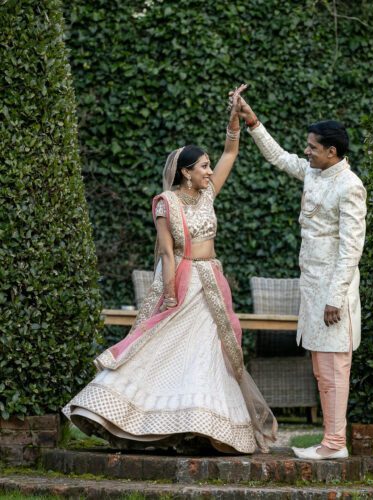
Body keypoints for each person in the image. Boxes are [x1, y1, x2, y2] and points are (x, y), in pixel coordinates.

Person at [63, 86, 277, 455]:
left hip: (213, 280)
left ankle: (204, 426)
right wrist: (171, 293)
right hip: (185, 281)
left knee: (208, 352)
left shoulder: (208, 194)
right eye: (203, 166)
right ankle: (127, 412)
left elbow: (232, 151)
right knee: (166, 349)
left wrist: (234, 118)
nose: (210, 171)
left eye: (210, 165)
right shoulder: (166, 204)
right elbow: (166, 250)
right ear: (185, 172)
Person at [234, 94, 366, 460]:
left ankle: (335, 445)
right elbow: (279, 158)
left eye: (312, 147)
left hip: (332, 296)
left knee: (335, 369)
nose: (306, 152)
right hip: (313, 289)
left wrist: (335, 298)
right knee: (322, 370)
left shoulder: (350, 185)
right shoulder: (315, 171)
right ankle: (330, 441)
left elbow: (351, 248)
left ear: (333, 152)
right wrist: (253, 122)